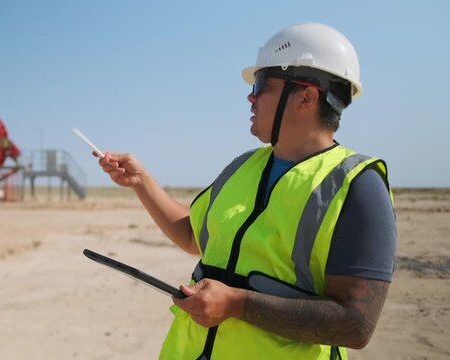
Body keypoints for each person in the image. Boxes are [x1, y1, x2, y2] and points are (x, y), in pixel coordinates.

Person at [97, 22, 396, 360]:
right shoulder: (244, 166)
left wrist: (237, 304)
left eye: (262, 84)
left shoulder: (357, 185)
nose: (250, 96)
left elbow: (355, 325)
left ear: (307, 96)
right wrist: (142, 182)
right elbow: (193, 236)